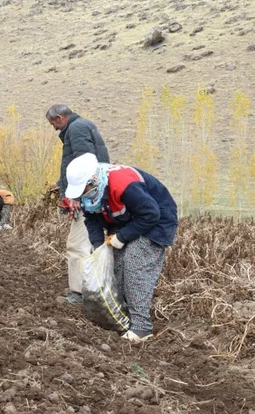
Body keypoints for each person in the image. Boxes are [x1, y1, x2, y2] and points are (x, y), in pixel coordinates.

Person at [65, 153, 177, 343]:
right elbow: (91, 219)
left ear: (93, 180)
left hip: (156, 219)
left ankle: (142, 328)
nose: (81, 195)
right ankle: (123, 318)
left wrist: (122, 237)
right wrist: (99, 248)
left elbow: (151, 214)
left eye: (84, 189)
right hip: (126, 218)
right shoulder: (90, 195)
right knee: (114, 265)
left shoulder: (123, 185)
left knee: (135, 264)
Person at [46, 104, 110, 305]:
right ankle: (91, 288)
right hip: (92, 194)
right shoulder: (84, 125)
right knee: (91, 244)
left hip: (85, 198)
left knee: (77, 245)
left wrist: (74, 196)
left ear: (59, 118)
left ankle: (80, 293)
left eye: (53, 124)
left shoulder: (75, 128)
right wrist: (61, 183)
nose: (55, 128)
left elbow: (84, 164)